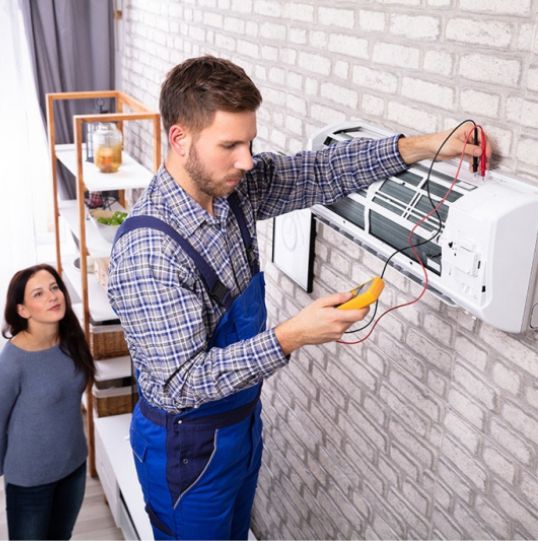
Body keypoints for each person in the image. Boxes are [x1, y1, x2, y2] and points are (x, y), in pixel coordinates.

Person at [107, 55, 491, 540]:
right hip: (185, 449)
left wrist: (429, 145)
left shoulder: (234, 191)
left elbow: (322, 171)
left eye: (249, 142)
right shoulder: (149, 250)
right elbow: (182, 383)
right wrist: (291, 336)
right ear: (180, 139)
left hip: (241, 423)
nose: (247, 160)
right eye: (229, 146)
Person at [0, 264, 95, 540]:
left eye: (54, 288)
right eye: (39, 294)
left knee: (61, 536)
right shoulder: (11, 364)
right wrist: (7, 470)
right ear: (22, 310)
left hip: (73, 466)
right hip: (29, 481)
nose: (52, 296)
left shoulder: (71, 340)